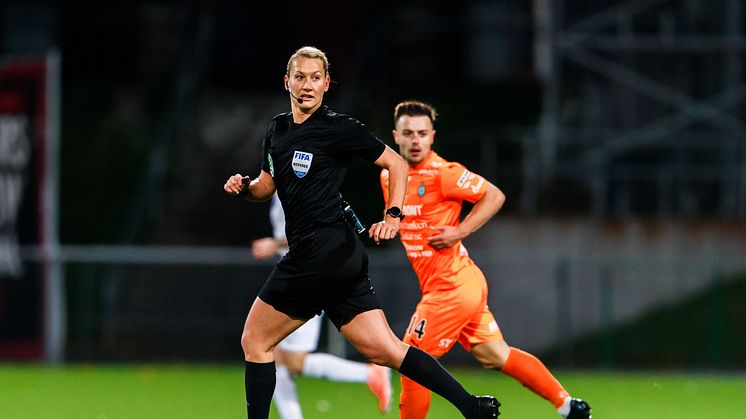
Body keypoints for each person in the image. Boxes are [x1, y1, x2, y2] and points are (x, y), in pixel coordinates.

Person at [223, 46, 500, 419]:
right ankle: (471, 405)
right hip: (339, 256)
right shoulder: (278, 129)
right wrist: (246, 187)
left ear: (326, 84)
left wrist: (394, 216)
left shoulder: (340, 128)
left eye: (315, 78)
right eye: (300, 77)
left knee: (255, 341)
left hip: (320, 252)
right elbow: (267, 186)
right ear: (287, 81)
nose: (307, 85)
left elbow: (396, 163)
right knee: (385, 350)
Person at [380, 100, 592, 419]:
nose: (415, 140)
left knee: (412, 359)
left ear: (432, 136)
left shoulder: (443, 174)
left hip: (452, 287)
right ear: (395, 136)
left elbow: (494, 195)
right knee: (495, 354)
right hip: (455, 283)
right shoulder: (390, 177)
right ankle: (567, 406)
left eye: (422, 133)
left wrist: (458, 231)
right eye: (408, 133)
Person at [252, 194, 392, 418]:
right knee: (271, 353)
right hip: (297, 271)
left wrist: (274, 243)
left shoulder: (302, 176)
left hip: (308, 274)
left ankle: (369, 374)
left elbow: (313, 230)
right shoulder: (281, 175)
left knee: (293, 361)